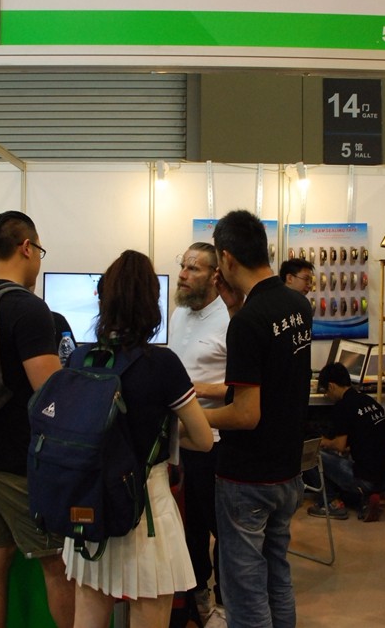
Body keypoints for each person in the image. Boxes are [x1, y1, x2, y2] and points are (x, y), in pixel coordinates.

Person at [63, 250, 213, 628]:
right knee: (150, 609)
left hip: (91, 506)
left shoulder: (80, 360)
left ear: (104, 298)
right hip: (147, 509)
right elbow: (203, 439)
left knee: (88, 612)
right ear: (151, 303)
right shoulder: (163, 365)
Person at [0, 211, 74, 628]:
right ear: (27, 247)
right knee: (57, 563)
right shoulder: (28, 308)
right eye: (39, 251)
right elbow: (51, 395)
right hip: (16, 465)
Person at [204, 210, 313, 628]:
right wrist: (234, 307)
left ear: (227, 258)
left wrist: (193, 419)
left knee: (244, 588)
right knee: (276, 575)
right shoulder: (296, 303)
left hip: (248, 478)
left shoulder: (250, 322)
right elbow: (268, 372)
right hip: (287, 470)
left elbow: (246, 414)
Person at [167, 242, 230, 623]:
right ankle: (197, 595)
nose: (183, 275)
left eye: (193, 268)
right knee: (188, 527)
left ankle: (225, 601)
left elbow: (242, 388)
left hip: (214, 442)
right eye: (183, 265)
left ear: (215, 275)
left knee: (220, 527)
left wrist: (195, 390)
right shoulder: (178, 314)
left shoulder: (229, 321)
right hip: (179, 441)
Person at [306, 362, 385, 523]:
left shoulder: (343, 406)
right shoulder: (370, 402)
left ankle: (331, 503)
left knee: (311, 453)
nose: (327, 396)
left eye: (326, 392)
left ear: (331, 386)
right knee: (345, 459)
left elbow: (339, 446)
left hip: (365, 479)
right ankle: (365, 498)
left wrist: (323, 442)